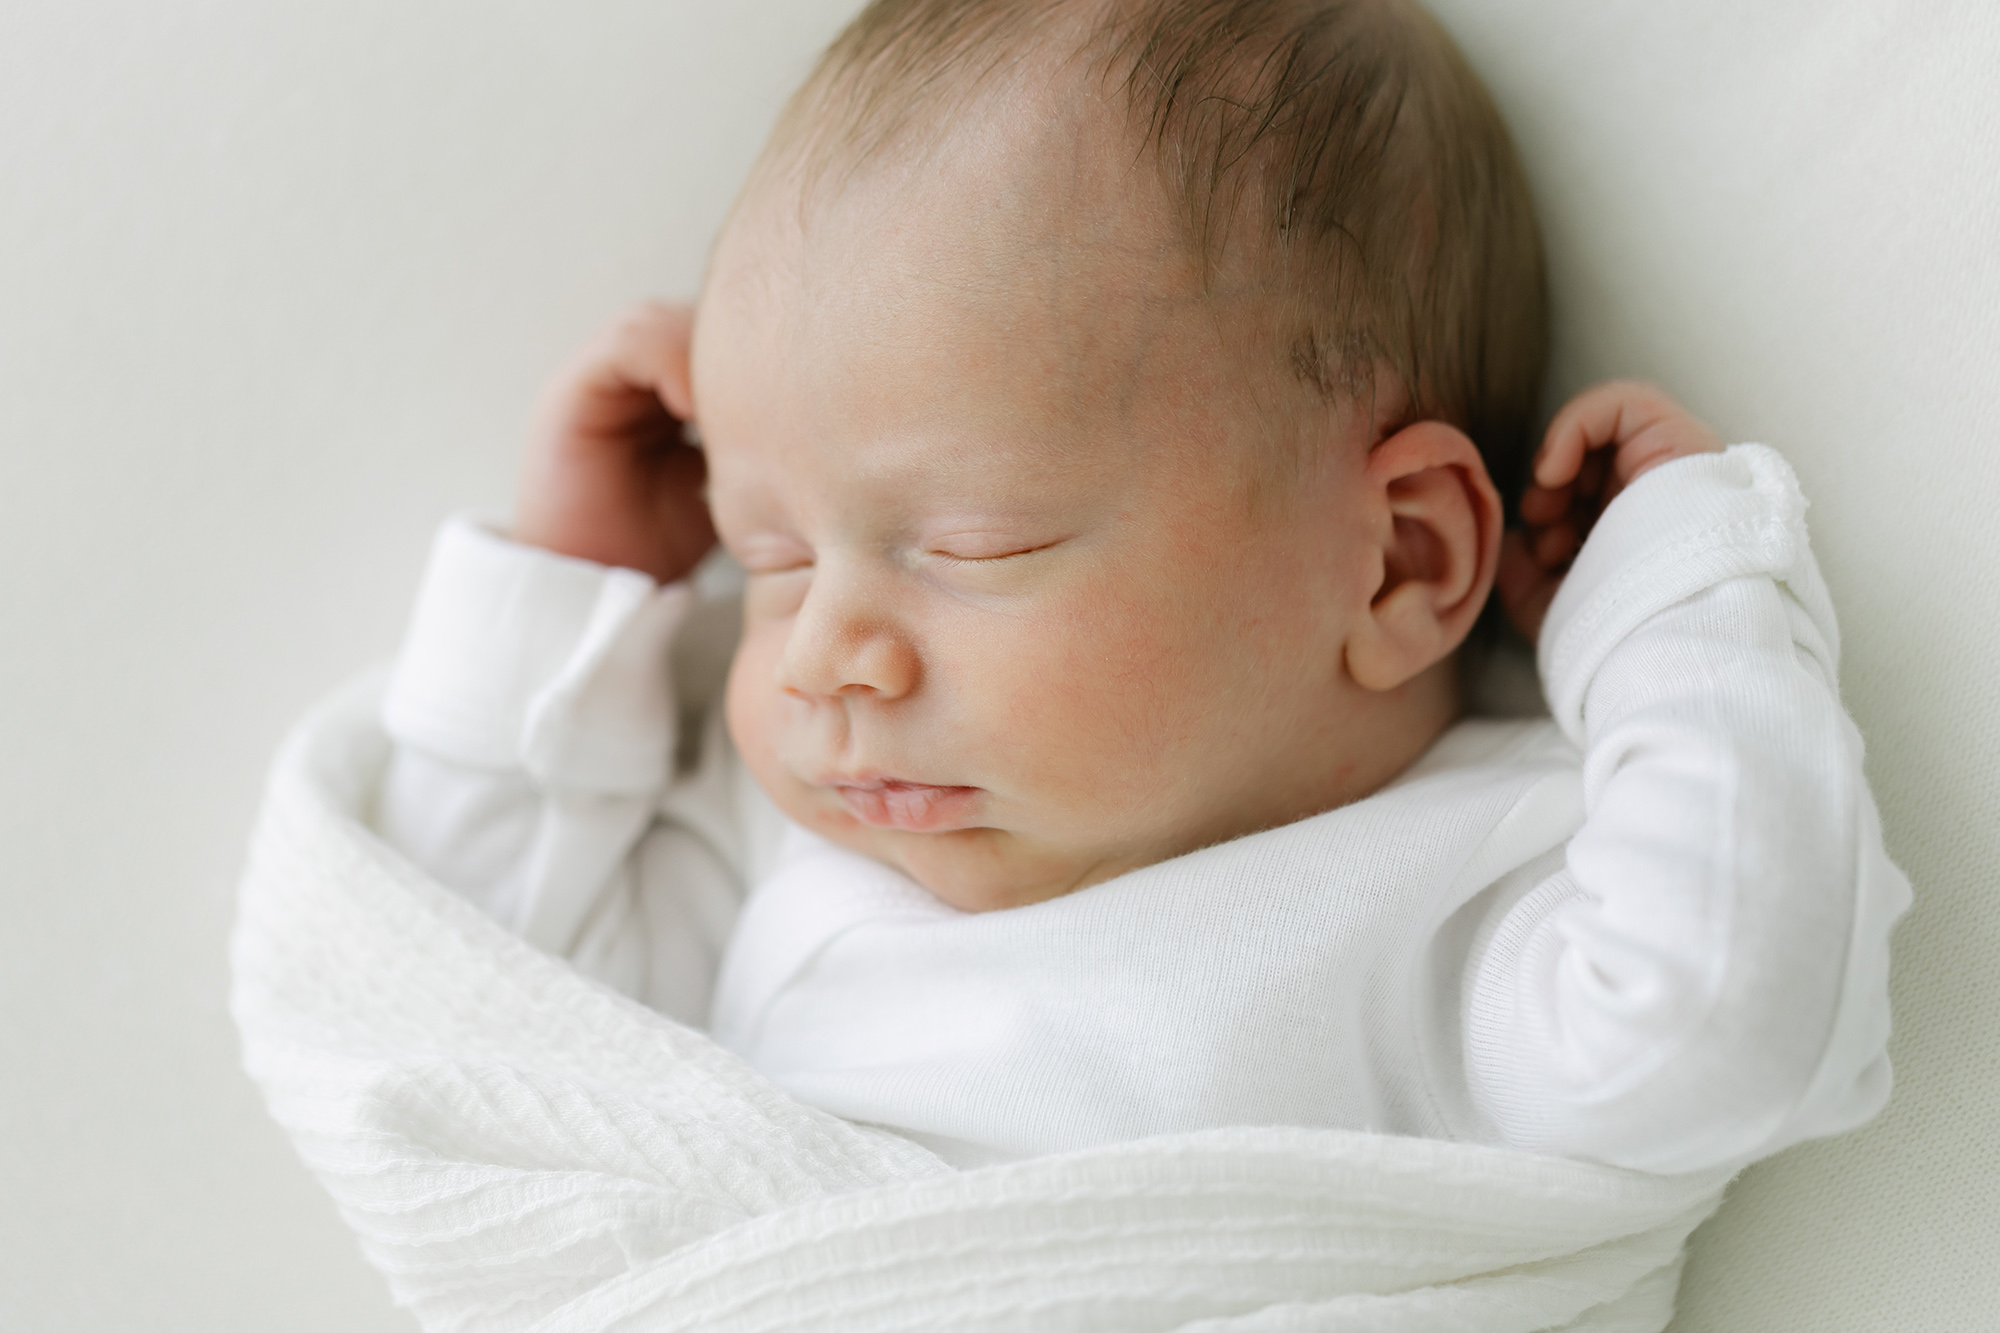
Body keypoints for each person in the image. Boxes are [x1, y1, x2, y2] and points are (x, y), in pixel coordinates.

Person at [372, 0, 1906, 1173]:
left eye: (972, 544)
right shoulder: (798, 864)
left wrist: (1670, 602)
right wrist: (579, 583)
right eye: (769, 558)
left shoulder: (1448, 906)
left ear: (1403, 558)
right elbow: (469, 1018)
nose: (827, 656)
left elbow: (1725, 1024)